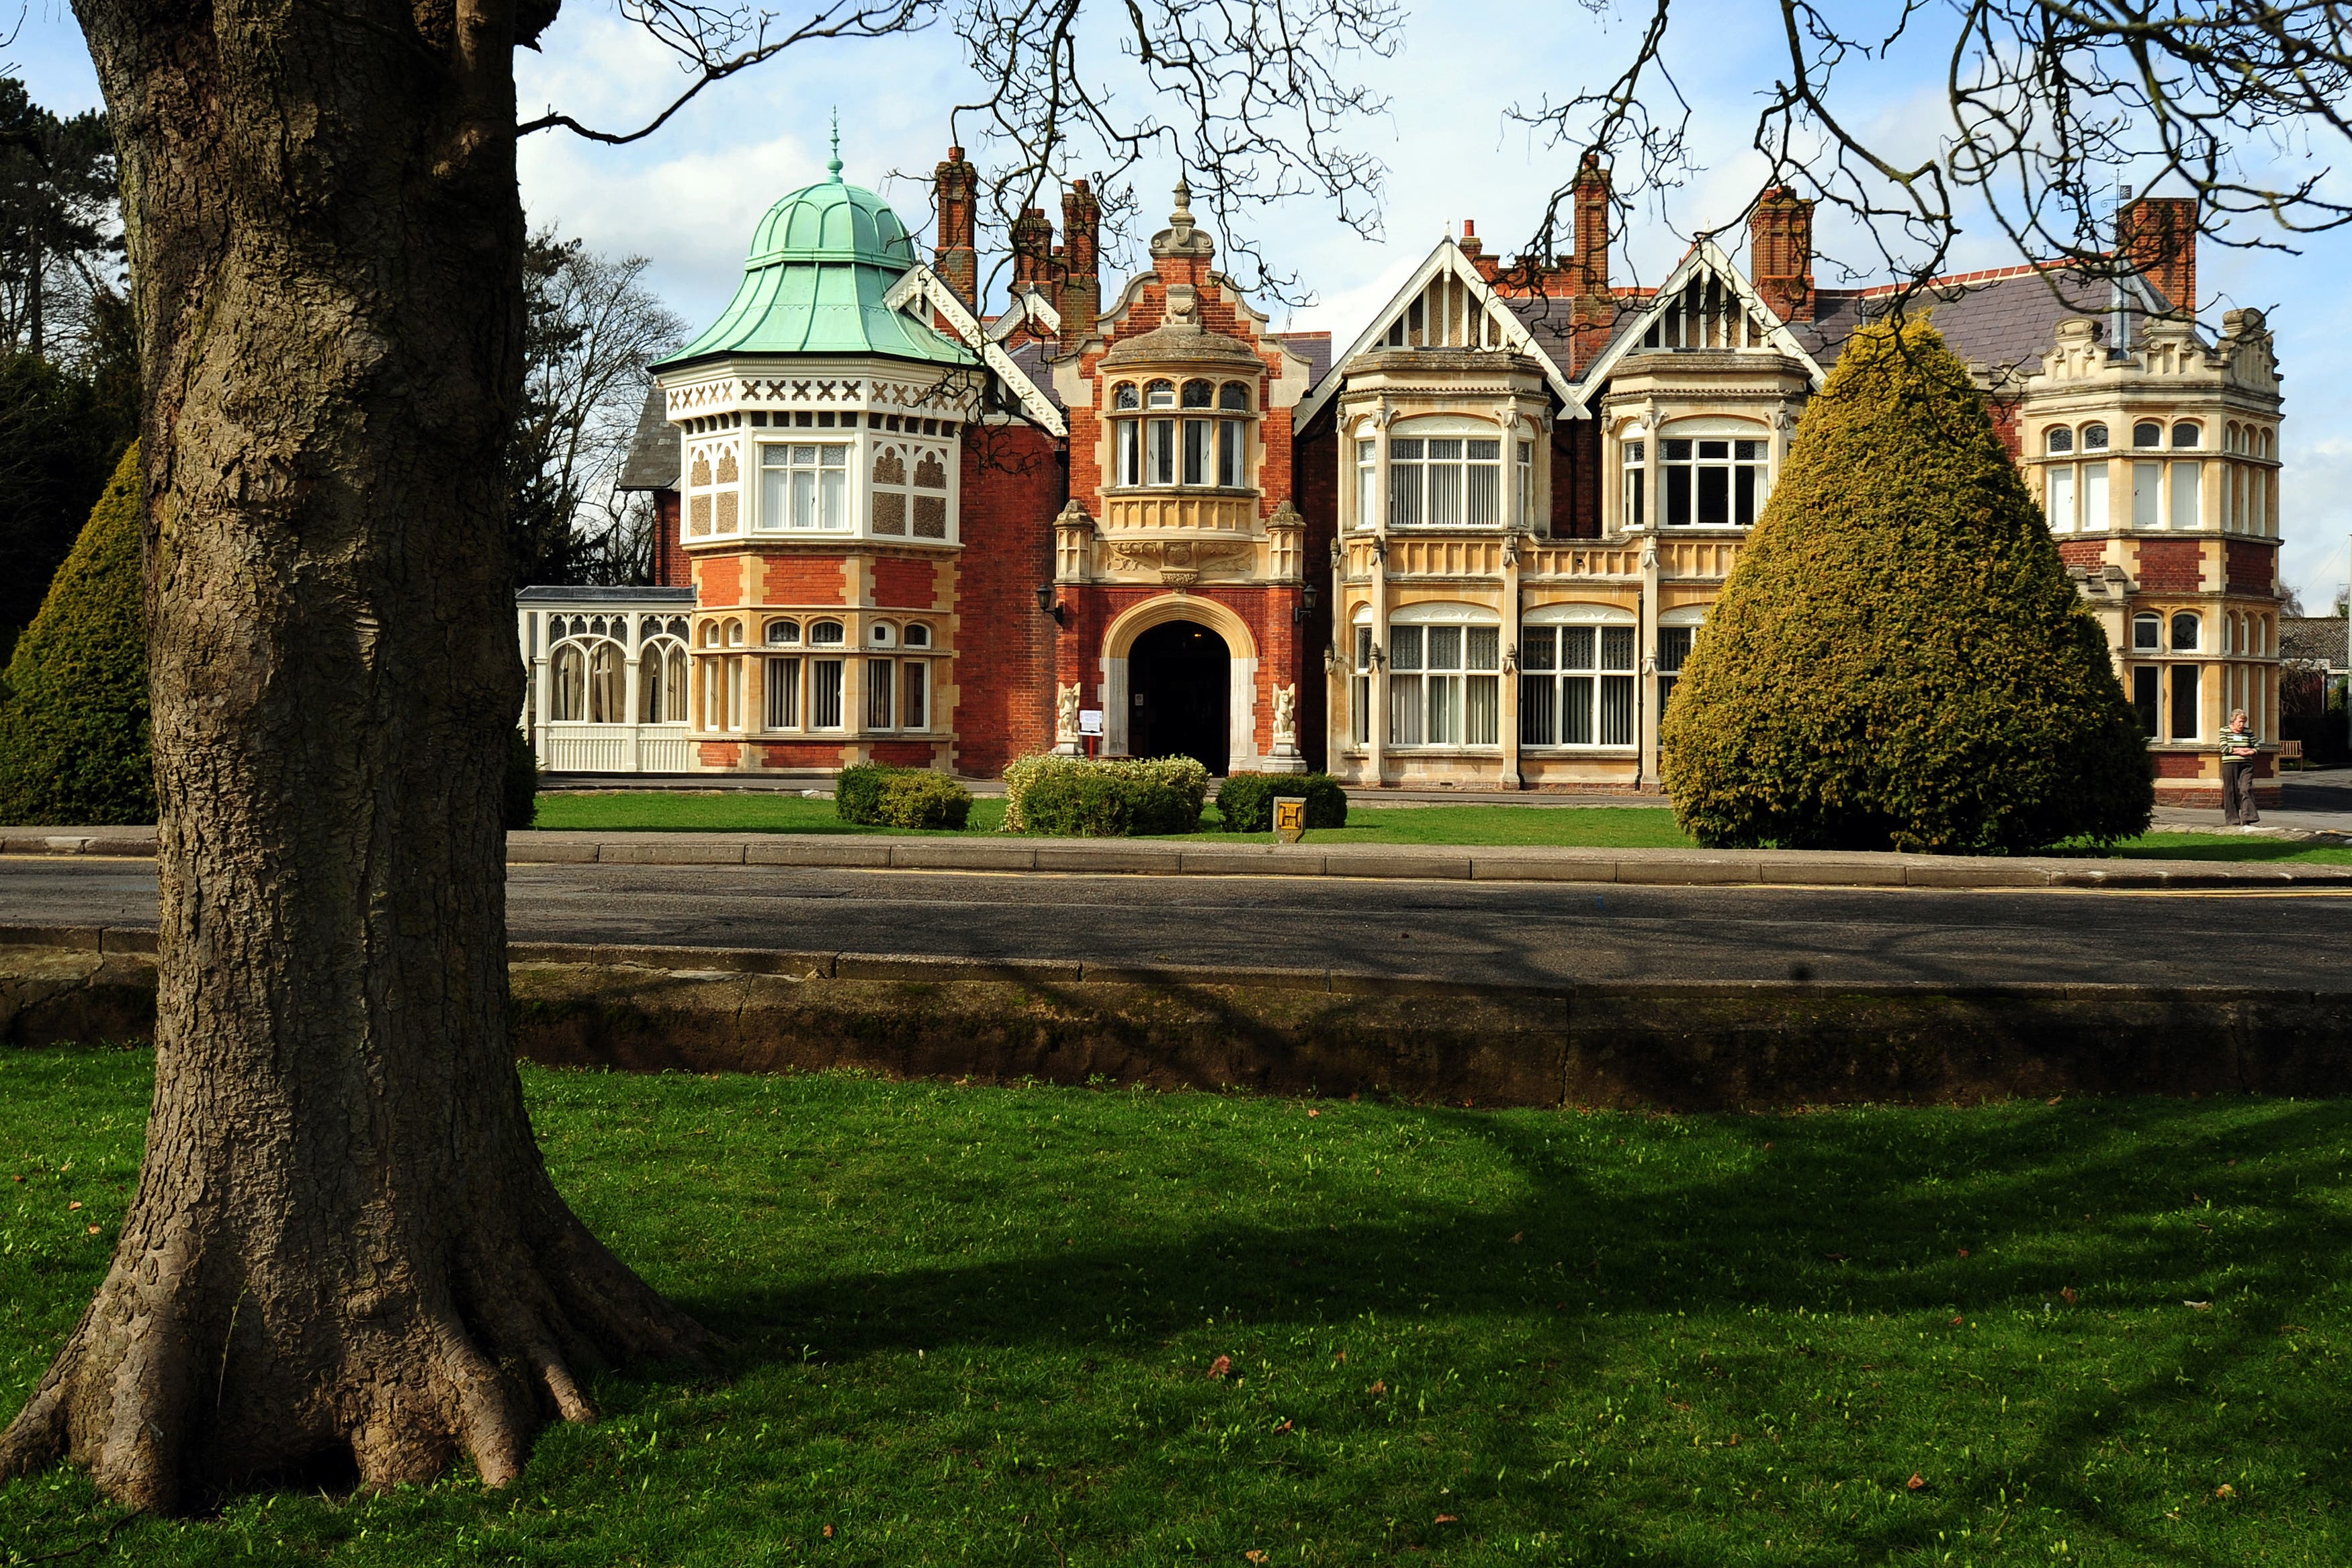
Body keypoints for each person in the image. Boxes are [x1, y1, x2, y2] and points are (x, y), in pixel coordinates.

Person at [2220, 707, 2261, 826]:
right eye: (2240, 722)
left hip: (2246, 764)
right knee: (2231, 791)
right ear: (2233, 721)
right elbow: (2224, 748)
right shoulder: (2224, 731)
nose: (2242, 724)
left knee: (2246, 788)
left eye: (2244, 722)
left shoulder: (2248, 732)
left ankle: (2249, 817)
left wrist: (2249, 752)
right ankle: (2233, 820)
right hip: (2230, 764)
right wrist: (2243, 749)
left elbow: (2257, 748)